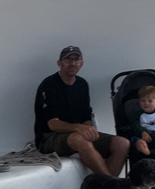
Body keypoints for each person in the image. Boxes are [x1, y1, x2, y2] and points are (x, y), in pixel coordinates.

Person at [33, 46, 129, 176]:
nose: (72, 63)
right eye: (68, 60)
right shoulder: (49, 85)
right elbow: (52, 124)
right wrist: (79, 128)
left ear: (81, 64)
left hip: (76, 134)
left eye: (76, 59)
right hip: (49, 138)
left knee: (122, 143)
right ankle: (112, 185)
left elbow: (86, 117)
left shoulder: (82, 84)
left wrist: (91, 132)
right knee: (80, 139)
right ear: (59, 63)